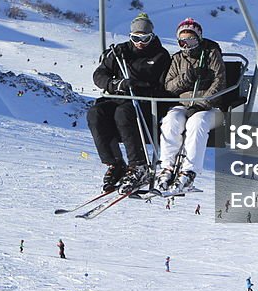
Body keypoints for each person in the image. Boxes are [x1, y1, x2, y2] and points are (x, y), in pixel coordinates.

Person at [87, 13, 171, 193]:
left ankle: (138, 165)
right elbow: (99, 75)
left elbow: (165, 86)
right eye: (135, 38)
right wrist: (115, 84)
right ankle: (115, 162)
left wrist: (142, 88)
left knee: (123, 113)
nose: (140, 42)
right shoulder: (120, 52)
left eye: (145, 38)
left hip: (145, 104)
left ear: (152, 36)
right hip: (120, 97)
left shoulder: (160, 56)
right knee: (96, 113)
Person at [156, 18, 226, 193]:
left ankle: (189, 171)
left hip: (210, 108)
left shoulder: (211, 54)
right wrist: (185, 78)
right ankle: (167, 167)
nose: (187, 45)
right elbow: (168, 86)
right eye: (182, 41)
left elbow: (220, 82)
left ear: (199, 38)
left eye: (191, 40)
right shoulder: (177, 59)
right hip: (184, 104)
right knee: (171, 120)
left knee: (197, 123)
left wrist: (203, 103)